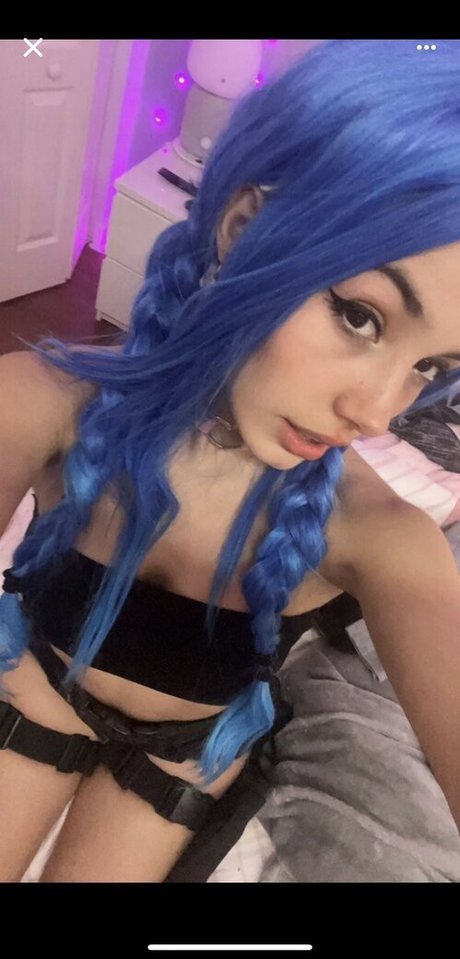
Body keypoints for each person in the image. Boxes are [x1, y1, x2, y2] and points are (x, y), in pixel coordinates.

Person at [1, 38, 460, 884]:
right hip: (36, 684)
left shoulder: (383, 538)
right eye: (361, 316)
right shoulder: (42, 401)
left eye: (432, 367)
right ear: (244, 230)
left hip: (182, 754)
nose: (376, 413)